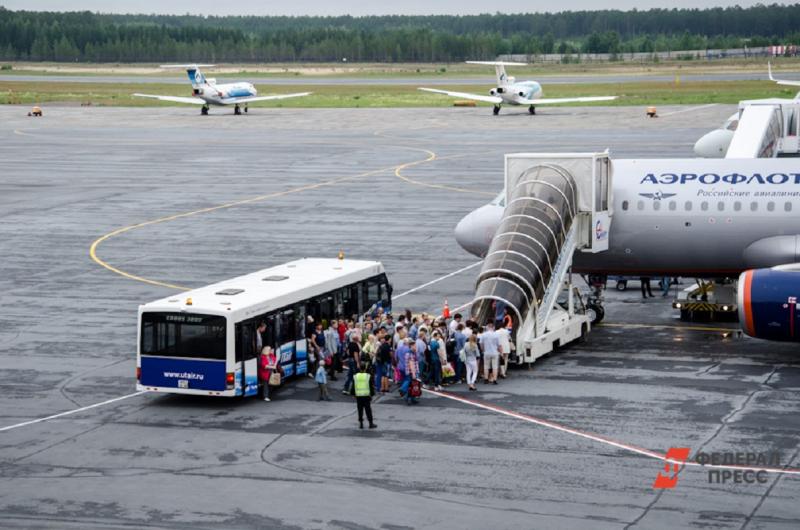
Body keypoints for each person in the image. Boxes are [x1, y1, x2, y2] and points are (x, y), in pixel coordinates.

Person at [402, 340, 420, 405]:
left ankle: (412, 398)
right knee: (411, 386)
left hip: (409, 372)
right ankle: (409, 399)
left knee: (412, 385)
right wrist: (414, 374)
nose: (416, 347)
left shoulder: (410, 353)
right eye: (415, 346)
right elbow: (411, 364)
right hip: (411, 372)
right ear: (411, 346)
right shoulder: (411, 353)